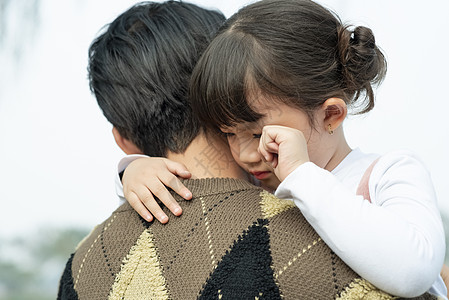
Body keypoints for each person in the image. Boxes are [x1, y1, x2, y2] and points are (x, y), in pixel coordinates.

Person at [57, 1, 413, 299]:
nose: (248, 152)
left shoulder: (81, 268)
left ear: (124, 139)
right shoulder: (325, 251)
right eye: (233, 132)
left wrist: (130, 168)